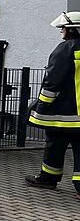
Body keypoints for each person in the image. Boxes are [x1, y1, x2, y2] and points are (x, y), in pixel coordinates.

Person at [25, 12, 80, 197]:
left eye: (63, 27)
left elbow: (53, 81)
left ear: (72, 29)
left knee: (55, 144)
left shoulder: (66, 48)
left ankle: (48, 178)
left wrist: (42, 104)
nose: (61, 31)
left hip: (64, 114)